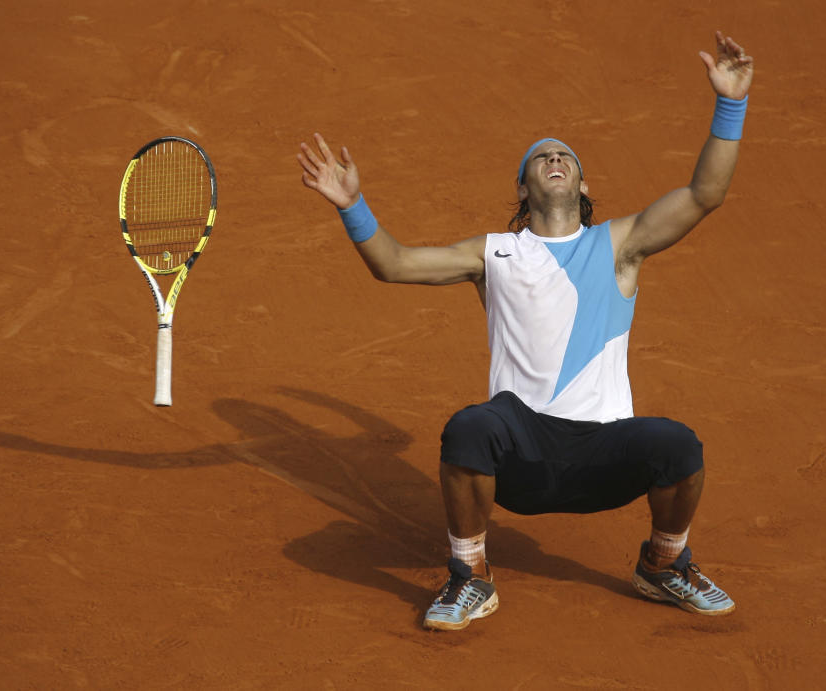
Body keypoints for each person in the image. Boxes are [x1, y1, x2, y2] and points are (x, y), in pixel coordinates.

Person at [297, 30, 753, 630]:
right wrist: (352, 205)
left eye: (566, 156)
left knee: (679, 446)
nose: (556, 160)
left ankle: (664, 566)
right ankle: (471, 576)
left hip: (603, 452)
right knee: (468, 428)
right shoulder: (494, 254)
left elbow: (705, 193)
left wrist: (731, 102)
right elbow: (395, 264)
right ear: (522, 187)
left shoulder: (620, 245)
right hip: (522, 452)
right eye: (542, 157)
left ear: (584, 185)